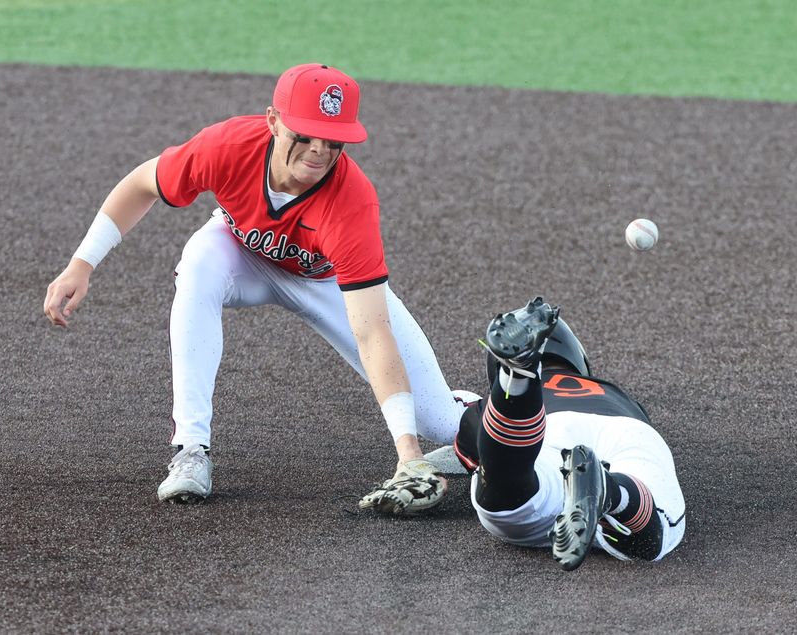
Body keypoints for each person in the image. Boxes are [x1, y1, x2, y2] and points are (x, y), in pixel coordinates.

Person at [43, 63, 467, 507]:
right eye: (304, 134)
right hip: (238, 254)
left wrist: (408, 455)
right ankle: (190, 449)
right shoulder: (226, 146)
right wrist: (81, 264)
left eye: (332, 139)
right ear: (273, 121)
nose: (318, 151)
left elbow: (372, 330)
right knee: (198, 267)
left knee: (439, 424)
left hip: (323, 283)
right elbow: (140, 184)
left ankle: (474, 413)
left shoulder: (351, 202)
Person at [435, 296, 686, 569]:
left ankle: (518, 378)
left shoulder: (485, 408)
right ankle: (613, 491)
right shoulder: (617, 394)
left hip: (541, 434)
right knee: (653, 537)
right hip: (627, 428)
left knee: (505, 497)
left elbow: (475, 453)